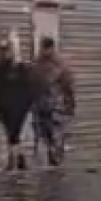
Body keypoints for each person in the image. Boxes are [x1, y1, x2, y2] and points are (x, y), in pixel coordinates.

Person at [0, 40, 36, 170]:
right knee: (11, 133)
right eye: (3, 50)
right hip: (5, 107)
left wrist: (31, 102)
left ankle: (14, 160)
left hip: (19, 108)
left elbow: (31, 86)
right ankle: (18, 157)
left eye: (7, 50)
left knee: (14, 133)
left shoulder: (22, 68)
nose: (5, 53)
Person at [29, 37, 75, 166]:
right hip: (40, 105)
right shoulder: (36, 64)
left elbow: (68, 86)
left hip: (55, 106)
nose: (42, 51)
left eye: (44, 48)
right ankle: (51, 157)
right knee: (44, 134)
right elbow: (30, 84)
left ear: (50, 48)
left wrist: (70, 104)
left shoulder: (59, 65)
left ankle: (56, 158)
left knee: (55, 133)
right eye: (42, 48)